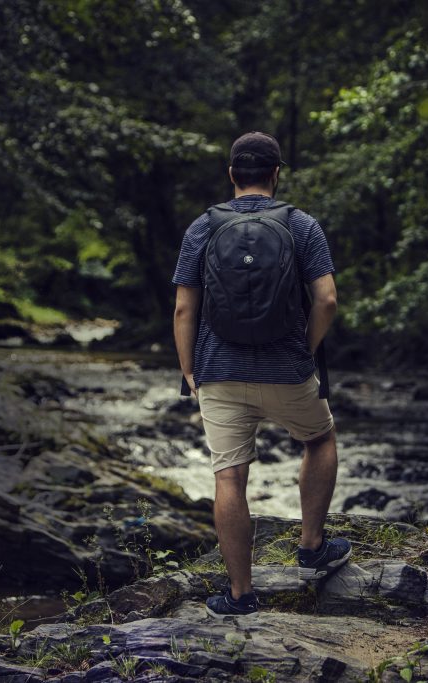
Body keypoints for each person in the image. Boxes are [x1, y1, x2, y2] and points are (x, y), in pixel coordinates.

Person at [171, 131, 351, 618]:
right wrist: (305, 349)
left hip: (219, 371)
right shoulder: (301, 224)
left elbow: (185, 307)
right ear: (276, 174)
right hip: (287, 367)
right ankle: (311, 545)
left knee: (229, 476)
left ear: (232, 174)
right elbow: (327, 299)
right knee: (319, 438)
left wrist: (190, 369)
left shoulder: (202, 227)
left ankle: (241, 595)